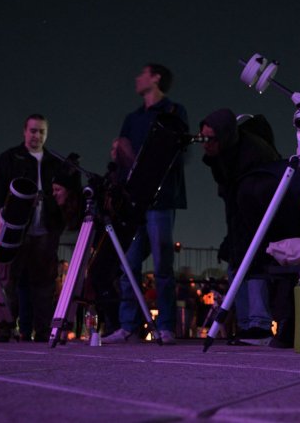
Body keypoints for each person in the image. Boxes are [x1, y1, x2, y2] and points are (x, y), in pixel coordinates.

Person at [103, 63, 187, 345]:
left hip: (161, 199)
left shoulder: (174, 112)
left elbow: (180, 153)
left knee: (163, 263)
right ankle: (129, 326)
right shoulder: (132, 118)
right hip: (132, 200)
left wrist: (135, 155)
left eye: (142, 73)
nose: (137, 77)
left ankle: (165, 326)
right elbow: (122, 159)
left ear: (156, 77)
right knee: (129, 263)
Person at [199, 109, 282, 345]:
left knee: (253, 264)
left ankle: (259, 326)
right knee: (237, 264)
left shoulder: (251, 155)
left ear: (224, 136)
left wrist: (241, 240)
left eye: (209, 139)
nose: (204, 144)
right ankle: (248, 326)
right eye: (201, 138)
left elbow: (250, 201)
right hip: (242, 213)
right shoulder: (225, 154)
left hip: (259, 213)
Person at [0, 114, 63, 342]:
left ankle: (42, 331)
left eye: (41, 131)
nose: (36, 135)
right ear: (24, 131)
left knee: (44, 285)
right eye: (33, 130)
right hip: (16, 232)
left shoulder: (55, 162)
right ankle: (3, 328)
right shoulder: (10, 158)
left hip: (45, 231)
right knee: (7, 281)